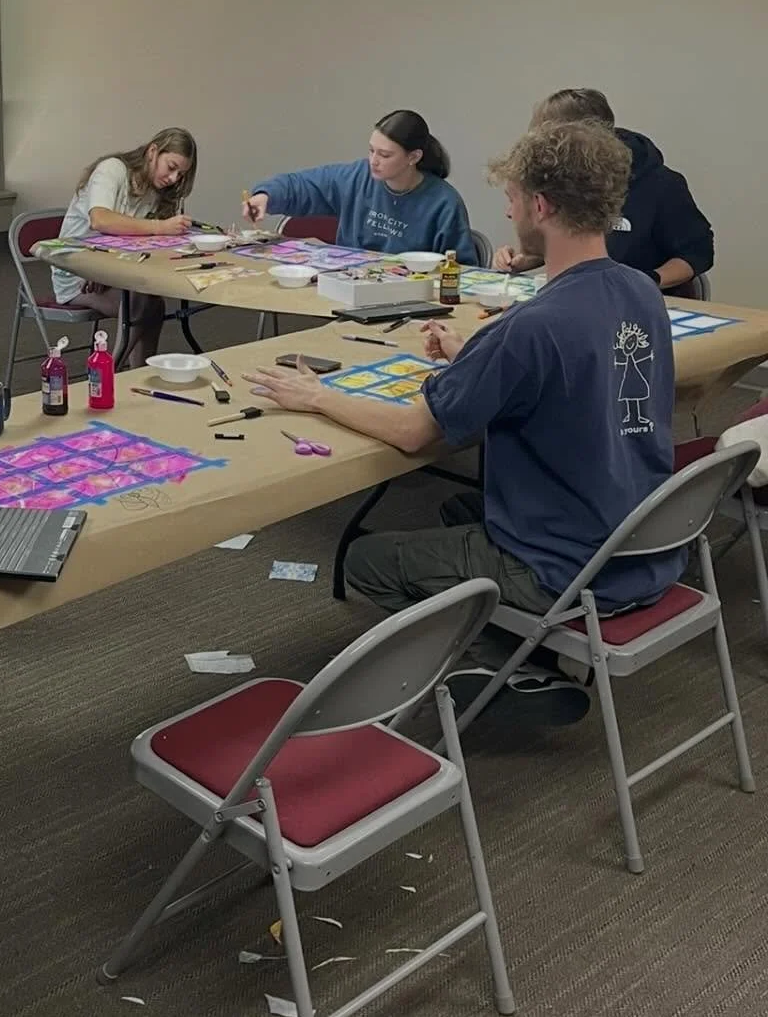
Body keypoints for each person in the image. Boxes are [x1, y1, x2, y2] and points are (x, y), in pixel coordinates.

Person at [245, 122, 684, 726]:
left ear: (541, 205)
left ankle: (507, 667)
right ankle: (522, 647)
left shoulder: (530, 326)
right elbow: (572, 370)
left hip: (572, 567)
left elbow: (412, 433)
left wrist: (316, 395)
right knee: (457, 510)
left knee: (365, 561)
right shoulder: (641, 291)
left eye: (510, 198)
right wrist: (474, 355)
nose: (505, 211)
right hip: (644, 545)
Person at [493, 88, 713, 294]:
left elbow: (697, 253)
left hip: (651, 301)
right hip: (587, 294)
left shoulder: (661, 184)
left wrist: (648, 280)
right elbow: (574, 241)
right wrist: (527, 258)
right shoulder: (567, 183)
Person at [244, 109, 475, 262]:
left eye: (385, 155)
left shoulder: (443, 202)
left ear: (413, 157)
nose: (373, 161)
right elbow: (303, 186)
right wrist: (266, 196)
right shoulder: (356, 176)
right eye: (371, 150)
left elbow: (461, 269)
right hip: (350, 289)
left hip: (410, 304)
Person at [52, 126, 198, 368]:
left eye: (180, 175)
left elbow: (139, 240)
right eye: (171, 168)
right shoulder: (112, 170)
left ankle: (136, 375)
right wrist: (159, 227)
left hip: (114, 269)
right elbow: (101, 219)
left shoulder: (158, 190)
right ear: (153, 151)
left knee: (152, 302)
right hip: (77, 270)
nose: (173, 179)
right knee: (142, 301)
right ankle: (109, 370)